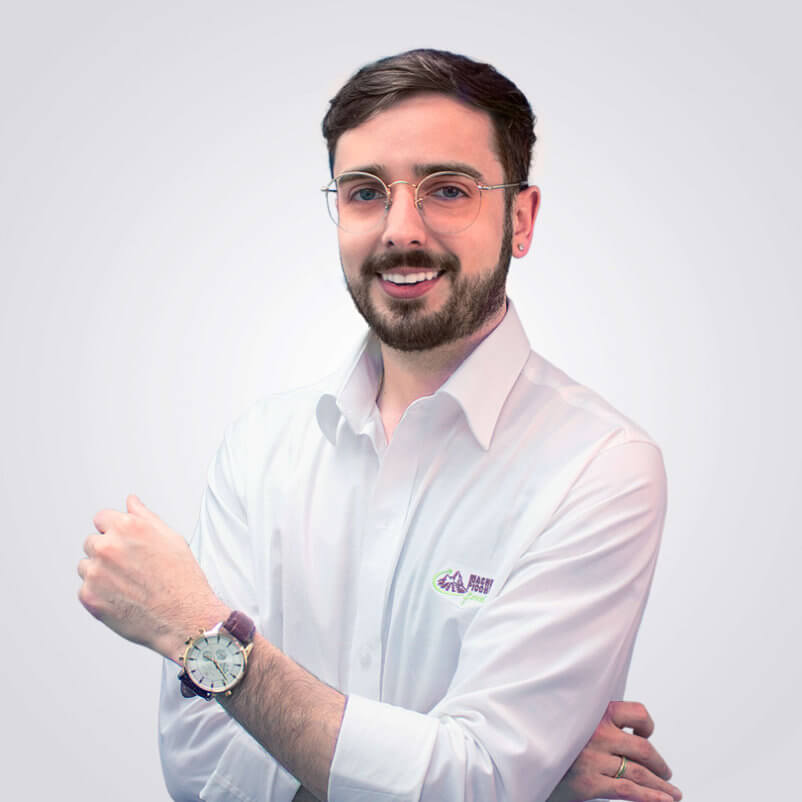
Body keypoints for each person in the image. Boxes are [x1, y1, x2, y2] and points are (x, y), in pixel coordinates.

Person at [78, 49, 682, 802]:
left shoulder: (601, 467)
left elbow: (475, 779)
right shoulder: (259, 452)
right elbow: (202, 770)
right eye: (366, 192)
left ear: (520, 220)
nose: (401, 230)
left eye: (448, 190)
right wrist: (496, 776)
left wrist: (201, 634)